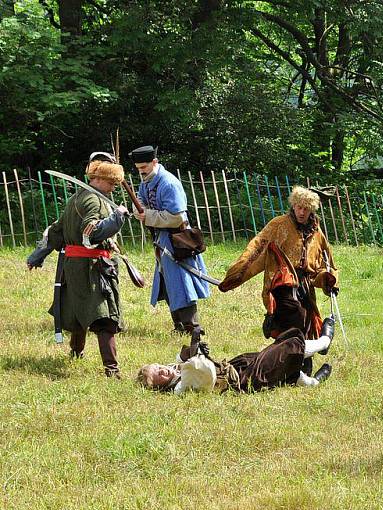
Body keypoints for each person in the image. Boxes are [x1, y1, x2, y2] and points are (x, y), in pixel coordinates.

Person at [26, 152, 130, 377]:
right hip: (94, 266)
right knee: (104, 317)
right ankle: (112, 370)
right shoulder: (94, 200)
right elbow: (92, 233)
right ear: (99, 179)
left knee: (78, 309)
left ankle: (76, 352)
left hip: (74, 266)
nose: (113, 187)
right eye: (111, 182)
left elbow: (55, 232)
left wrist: (36, 256)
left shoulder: (76, 198)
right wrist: (118, 217)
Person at [218, 186, 338, 374]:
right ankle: (285, 367)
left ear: (312, 210)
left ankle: (298, 368)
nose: (301, 212)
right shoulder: (279, 225)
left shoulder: (316, 232)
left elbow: (325, 263)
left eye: (306, 208)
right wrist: (235, 277)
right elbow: (256, 249)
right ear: (293, 205)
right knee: (294, 322)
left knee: (305, 326)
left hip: (304, 288)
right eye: (298, 207)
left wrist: (329, 280)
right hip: (282, 286)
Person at [130, 145, 211, 335]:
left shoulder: (168, 183)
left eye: (144, 167)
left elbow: (177, 217)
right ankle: (179, 326)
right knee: (167, 283)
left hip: (177, 239)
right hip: (162, 239)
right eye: (139, 168)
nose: (141, 171)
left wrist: (148, 216)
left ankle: (193, 328)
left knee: (182, 283)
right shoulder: (146, 181)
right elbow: (141, 201)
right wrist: (138, 210)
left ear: (155, 162)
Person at [137, 324, 334, 393]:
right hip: (242, 380)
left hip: (235, 365)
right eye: (159, 375)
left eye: (159, 367)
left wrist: (194, 347)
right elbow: (202, 373)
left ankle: (314, 382)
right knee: (286, 350)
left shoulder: (176, 369)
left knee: (279, 366)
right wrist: (198, 352)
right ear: (161, 386)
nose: (164, 370)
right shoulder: (181, 387)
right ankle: (325, 341)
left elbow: (182, 358)